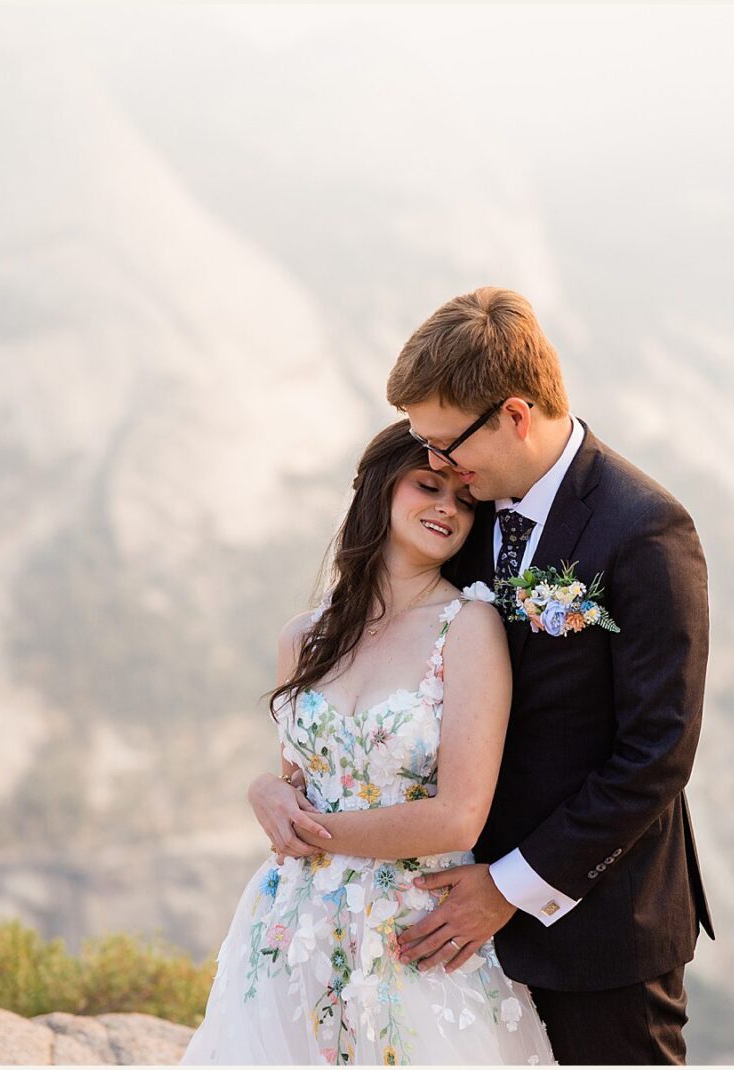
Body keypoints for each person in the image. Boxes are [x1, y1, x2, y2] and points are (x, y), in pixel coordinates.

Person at [292, 286, 716, 1064]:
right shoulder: (470, 507)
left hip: (596, 929)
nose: (438, 465)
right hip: (446, 932)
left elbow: (658, 750)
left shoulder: (646, 530)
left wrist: (511, 886)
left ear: (515, 415)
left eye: (448, 443)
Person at [181, 421, 557, 1065]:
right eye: (427, 486)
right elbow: (298, 785)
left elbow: (459, 816)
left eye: (465, 500)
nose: (447, 507)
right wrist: (263, 792)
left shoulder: (468, 629)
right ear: (380, 491)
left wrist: (310, 832)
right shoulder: (304, 636)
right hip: (289, 932)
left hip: (412, 933)